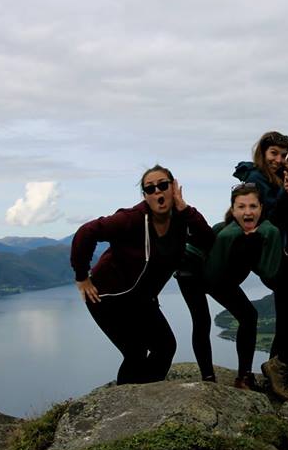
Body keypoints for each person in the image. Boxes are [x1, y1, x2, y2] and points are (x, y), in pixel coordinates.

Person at [70, 165, 214, 385]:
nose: (157, 192)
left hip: (141, 299)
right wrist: (82, 276)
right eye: (150, 188)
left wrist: (185, 208)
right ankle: (124, 400)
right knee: (135, 351)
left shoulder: (181, 219)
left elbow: (207, 239)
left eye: (163, 185)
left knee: (165, 347)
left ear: (173, 188)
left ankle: (147, 394)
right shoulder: (131, 219)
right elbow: (87, 232)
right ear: (145, 195)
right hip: (107, 298)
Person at [233, 131, 288, 398]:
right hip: (280, 260)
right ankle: (278, 367)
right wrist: (287, 195)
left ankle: (275, 378)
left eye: (283, 155)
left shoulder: (275, 177)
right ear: (263, 152)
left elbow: (286, 214)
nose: (278, 159)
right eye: (273, 153)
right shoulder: (256, 179)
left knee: (286, 321)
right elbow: (265, 218)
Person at [204, 183, 283, 389]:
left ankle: (243, 377)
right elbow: (213, 274)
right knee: (205, 323)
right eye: (241, 207)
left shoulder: (264, 232)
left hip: (224, 281)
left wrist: (255, 241)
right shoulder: (223, 232)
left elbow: (267, 271)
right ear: (233, 210)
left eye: (253, 206)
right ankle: (212, 380)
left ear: (261, 208)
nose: (248, 212)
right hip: (201, 279)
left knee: (249, 316)